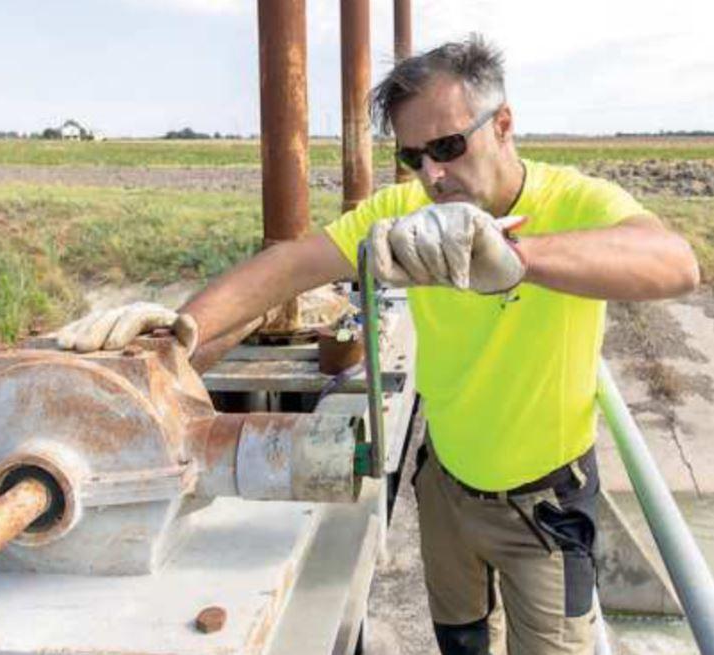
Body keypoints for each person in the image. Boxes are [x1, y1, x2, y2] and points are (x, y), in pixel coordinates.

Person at [57, 34, 699, 655]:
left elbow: (674, 264)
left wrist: (513, 257)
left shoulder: (575, 201)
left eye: (448, 145)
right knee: (462, 640)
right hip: (447, 488)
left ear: (503, 124)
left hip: (545, 506)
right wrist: (178, 329)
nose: (433, 174)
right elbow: (289, 266)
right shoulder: (401, 214)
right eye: (413, 157)